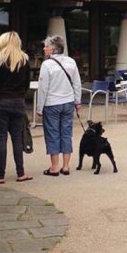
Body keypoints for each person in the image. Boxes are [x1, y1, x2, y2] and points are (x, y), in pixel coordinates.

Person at [0, 31, 33, 184]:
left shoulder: (0, 57)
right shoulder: (25, 59)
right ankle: (21, 173)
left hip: (1, 101)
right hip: (18, 102)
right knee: (17, 138)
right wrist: (20, 95)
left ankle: (0, 175)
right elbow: (27, 83)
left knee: (1, 138)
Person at [37, 34, 82, 176]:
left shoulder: (46, 65)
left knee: (53, 133)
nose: (44, 49)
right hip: (68, 102)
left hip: (52, 104)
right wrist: (77, 100)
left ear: (54, 49)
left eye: (47, 46)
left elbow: (43, 88)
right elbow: (77, 83)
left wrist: (39, 107)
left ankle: (54, 167)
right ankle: (66, 166)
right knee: (66, 133)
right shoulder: (71, 62)